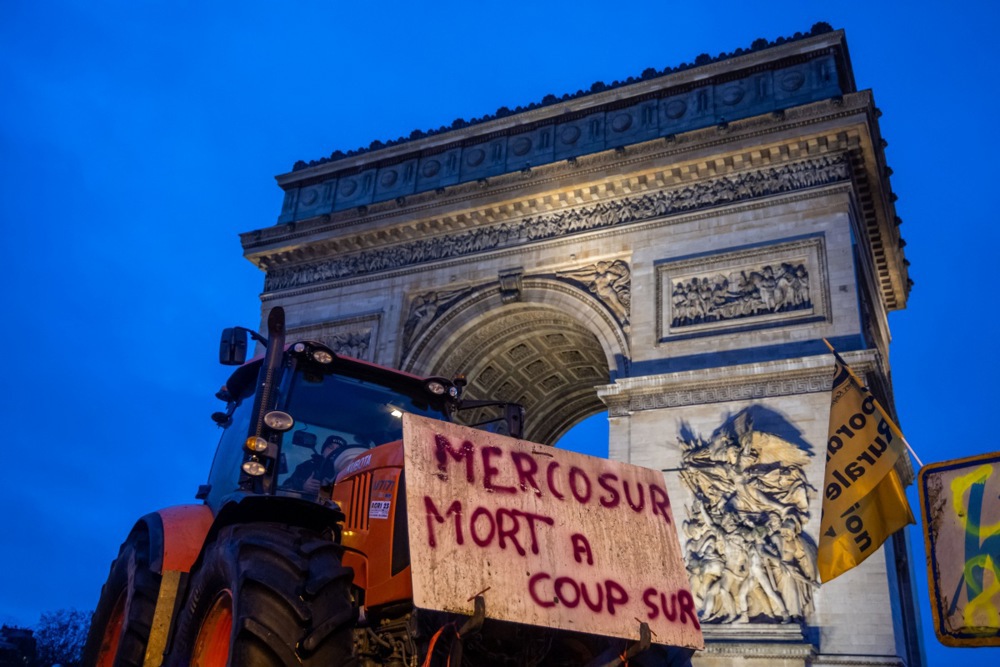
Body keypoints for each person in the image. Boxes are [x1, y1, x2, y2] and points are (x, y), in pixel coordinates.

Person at [282, 435, 363, 494]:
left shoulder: (348, 470)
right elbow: (285, 487)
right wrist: (303, 486)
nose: (333, 452)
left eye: (338, 450)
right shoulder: (307, 466)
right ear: (323, 451)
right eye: (330, 447)